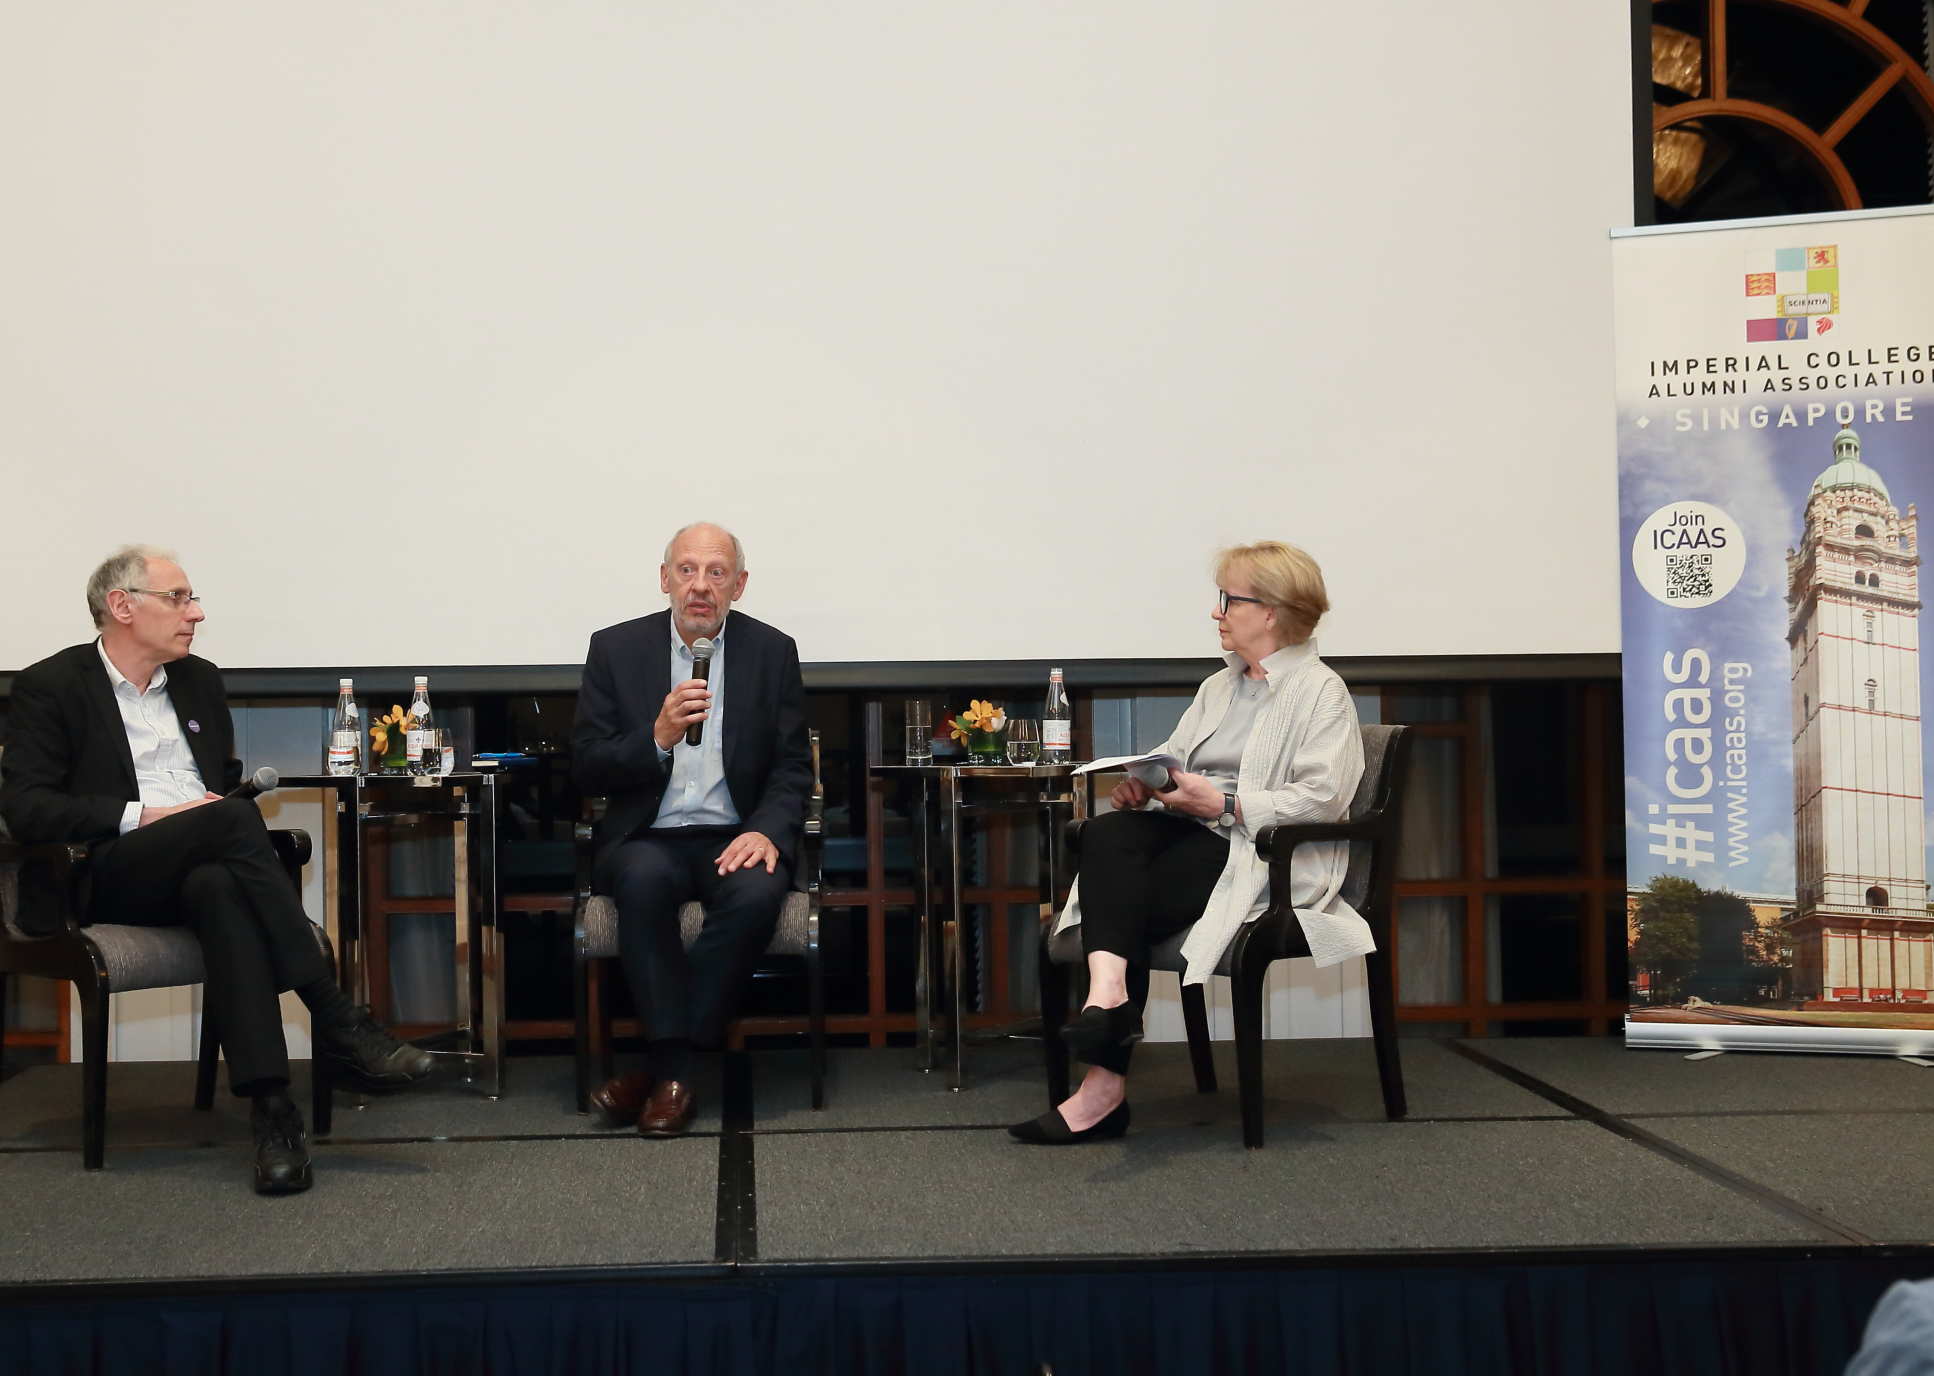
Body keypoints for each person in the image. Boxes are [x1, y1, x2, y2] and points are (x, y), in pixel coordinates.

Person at [0, 545, 437, 1194]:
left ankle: (272, 1114)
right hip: (98, 871)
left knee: (222, 886)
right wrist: (146, 815)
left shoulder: (199, 680)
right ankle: (339, 1019)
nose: (196, 613)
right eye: (178, 599)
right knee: (232, 821)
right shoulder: (51, 686)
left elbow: (220, 785)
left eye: (192, 599)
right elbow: (29, 810)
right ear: (122, 607)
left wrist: (199, 818)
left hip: (194, 868)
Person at [1009, 540, 1367, 1145]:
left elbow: (1321, 800)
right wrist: (1147, 785)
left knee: (1118, 883)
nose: (1217, 612)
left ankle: (1103, 1068)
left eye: (1229, 599)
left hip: (1262, 856)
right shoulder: (1220, 687)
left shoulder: (1321, 691)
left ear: (1272, 611)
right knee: (1108, 832)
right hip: (1193, 839)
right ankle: (1108, 1003)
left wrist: (1226, 804)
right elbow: (1174, 759)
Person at [574, 522, 812, 1137]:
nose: (699, 587)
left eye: (715, 573)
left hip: (736, 832)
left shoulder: (772, 652)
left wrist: (766, 831)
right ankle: (676, 1073)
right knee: (644, 880)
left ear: (739, 585)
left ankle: (662, 1068)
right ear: (664, 580)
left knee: (760, 891)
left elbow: (791, 769)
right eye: (686, 570)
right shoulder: (614, 650)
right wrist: (655, 738)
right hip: (647, 835)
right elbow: (587, 764)